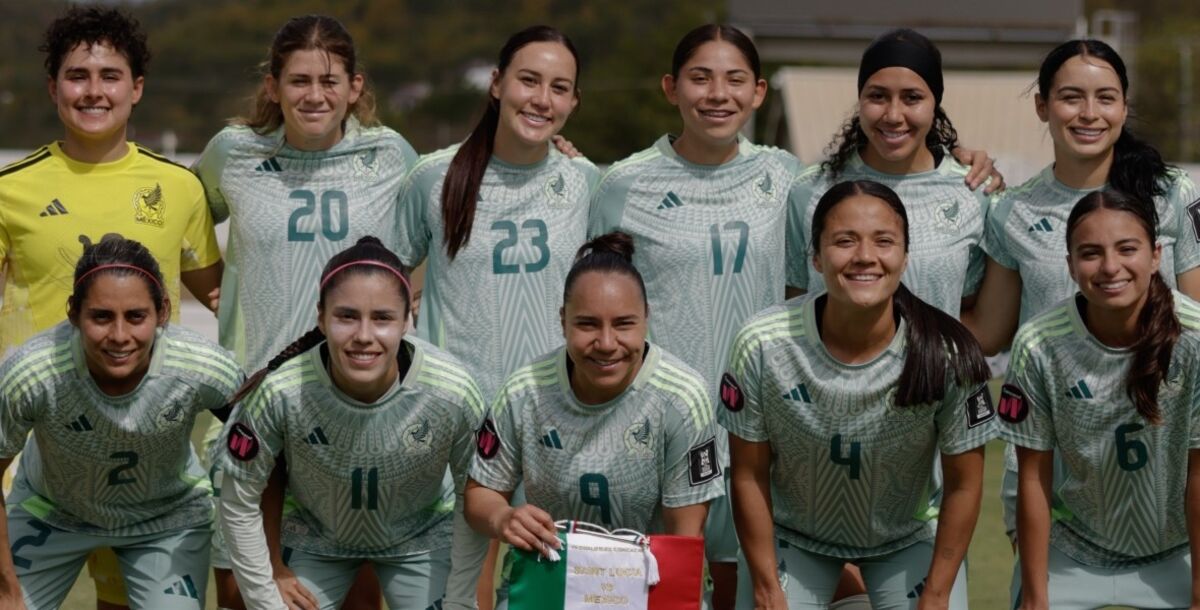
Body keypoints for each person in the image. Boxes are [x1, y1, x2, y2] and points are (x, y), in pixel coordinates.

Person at [0, 8, 224, 609]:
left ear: (136, 87)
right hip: (36, 448)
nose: (93, 90)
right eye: (77, 75)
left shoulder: (177, 187)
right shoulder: (10, 188)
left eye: (109, 75)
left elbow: (221, 295)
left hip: (140, 444)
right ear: (53, 87)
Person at [962, 39, 1200, 550]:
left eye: (1105, 98)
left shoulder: (1174, 193)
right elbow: (988, 333)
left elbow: (1198, 322)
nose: (1089, 113)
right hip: (1055, 461)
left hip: (1162, 450)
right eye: (1071, 97)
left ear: (1124, 106)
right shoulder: (1011, 211)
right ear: (1043, 106)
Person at [724, 180, 995, 609]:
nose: (865, 256)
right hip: (794, 537)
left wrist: (938, 593)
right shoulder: (762, 343)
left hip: (903, 540)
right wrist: (764, 584)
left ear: (905, 256)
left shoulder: (948, 352)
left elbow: (964, 483)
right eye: (844, 241)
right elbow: (747, 474)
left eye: (883, 241)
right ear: (815, 256)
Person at [217, 236, 485, 610]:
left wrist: (458, 601)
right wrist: (267, 599)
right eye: (346, 316)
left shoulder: (453, 391)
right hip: (317, 539)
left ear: (408, 319)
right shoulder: (282, 391)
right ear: (321, 318)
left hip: (421, 537)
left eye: (382, 318)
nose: (363, 336)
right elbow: (238, 499)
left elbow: (471, 496)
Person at [464, 232, 724, 605]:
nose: (606, 343)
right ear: (562, 321)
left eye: (623, 324)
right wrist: (504, 518)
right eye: (587, 324)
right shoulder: (524, 391)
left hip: (650, 583)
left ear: (646, 320)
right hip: (548, 577)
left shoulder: (683, 398)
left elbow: (685, 536)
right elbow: (480, 495)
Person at [0, 238, 241, 609]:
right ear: (73, 313)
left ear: (162, 312)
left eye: (135, 316)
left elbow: (265, 448)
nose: (119, 336)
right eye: (100, 316)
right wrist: (6, 590)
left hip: (167, 516)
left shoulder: (202, 367)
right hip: (50, 510)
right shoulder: (33, 373)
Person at [1003, 190, 1199, 609]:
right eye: (1091, 253)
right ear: (1071, 265)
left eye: (1127, 249)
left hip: (1178, 553)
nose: (1110, 267)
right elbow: (1033, 479)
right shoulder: (1039, 344)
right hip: (1074, 553)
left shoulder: (1195, 338)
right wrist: (1036, 598)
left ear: (1156, 255)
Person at [396, 24, 597, 402]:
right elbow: (386, 273)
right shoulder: (433, 177)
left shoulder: (585, 182)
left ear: (573, 101)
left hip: (554, 412)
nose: (542, 99)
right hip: (451, 409)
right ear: (496, 84)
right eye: (528, 80)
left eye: (559, 88)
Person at [786, 28, 997, 318]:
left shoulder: (974, 192)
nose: (894, 115)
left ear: (935, 104)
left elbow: (970, 312)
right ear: (859, 100)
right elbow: (794, 303)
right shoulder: (809, 191)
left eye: (912, 98)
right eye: (878, 96)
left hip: (932, 364)